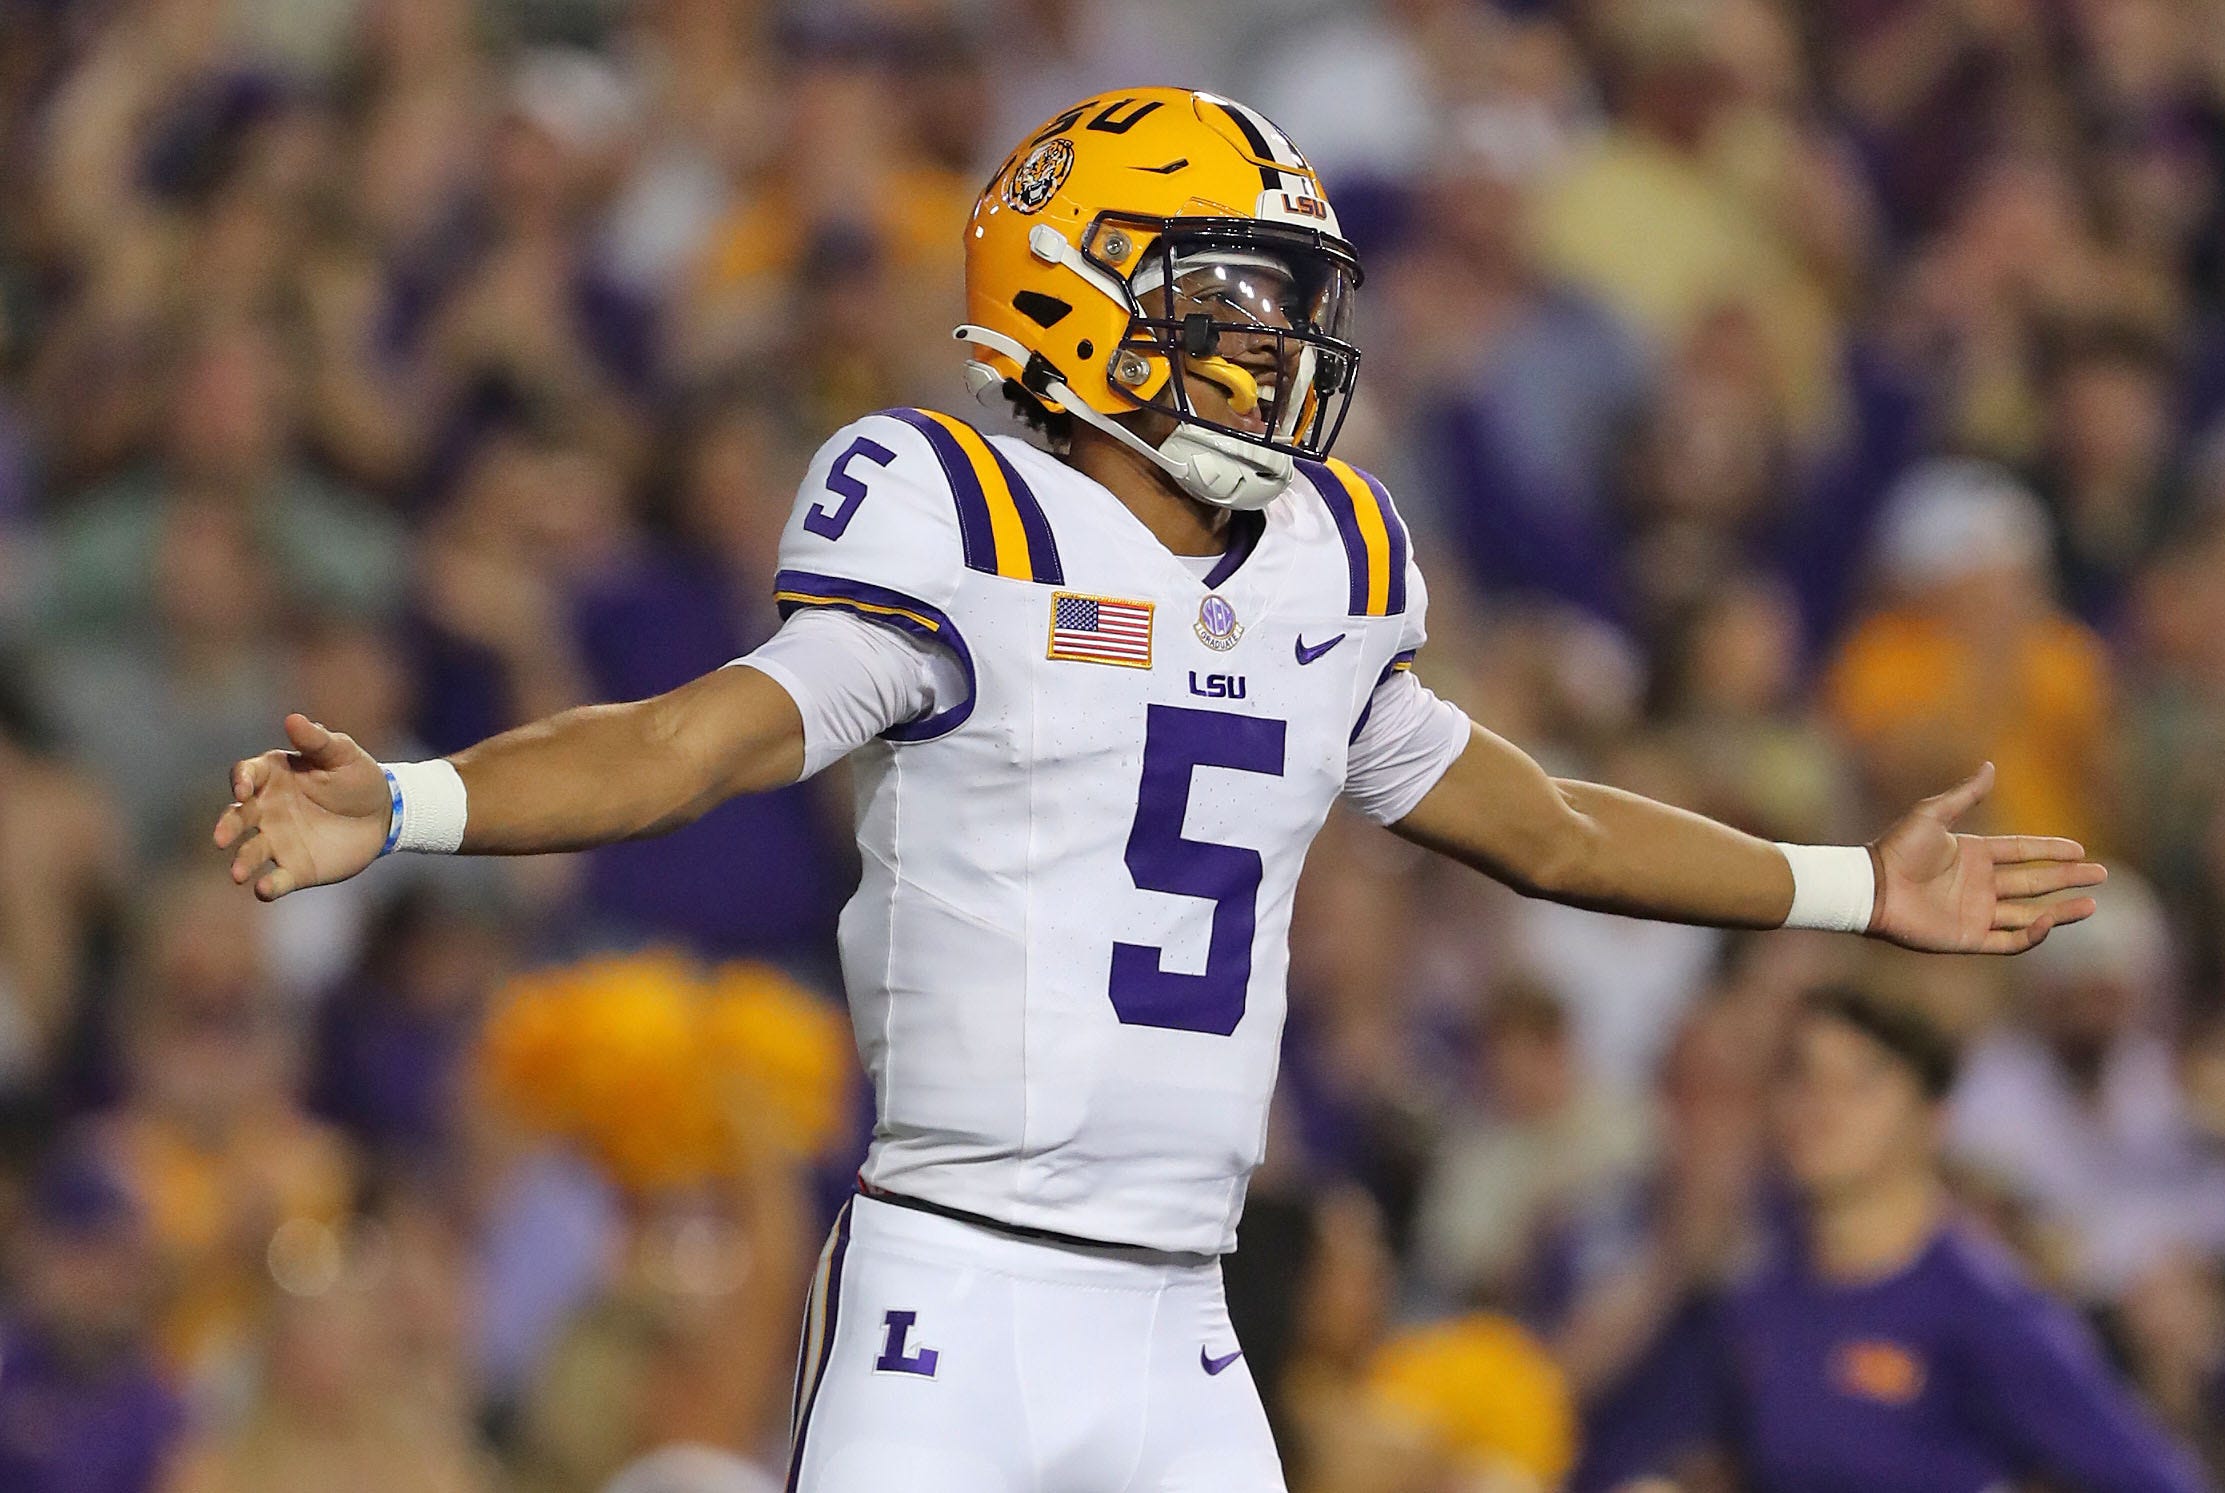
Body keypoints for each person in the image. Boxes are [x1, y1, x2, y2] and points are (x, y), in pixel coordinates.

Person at [213, 89, 2105, 1493]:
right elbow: (686, 741)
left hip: (1185, 1307)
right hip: (954, 1286)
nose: (1276, 345)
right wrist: (413, 803)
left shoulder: (1327, 565)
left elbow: (1546, 826)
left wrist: (1854, 885)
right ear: (1073, 293)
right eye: (1231, 296)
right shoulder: (955, 515)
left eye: (1289, 303)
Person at [1578, 986, 2202, 1493]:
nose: (1821, 1106)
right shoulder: (1755, 1294)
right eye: (1802, 1076)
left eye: (1861, 1083)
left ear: (1932, 1119)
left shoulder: (1984, 1311)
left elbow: (2153, 1479)